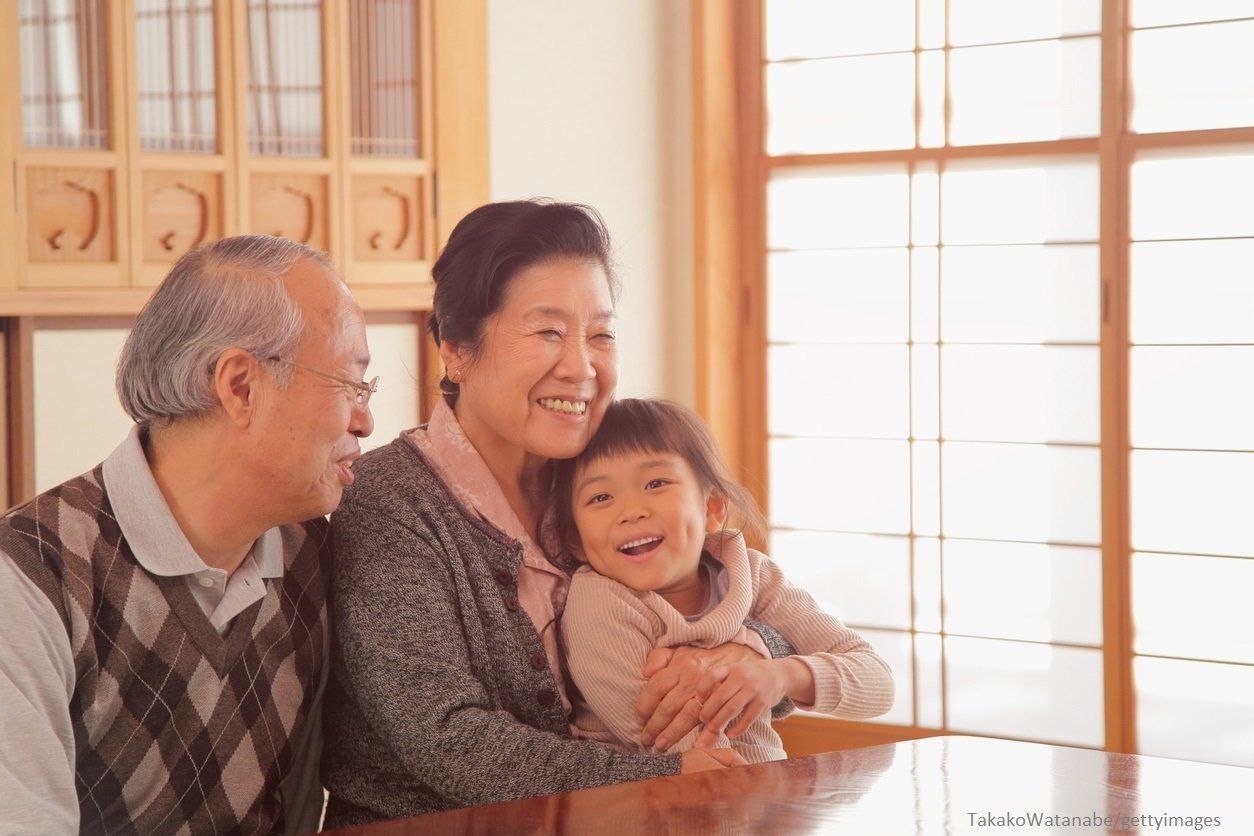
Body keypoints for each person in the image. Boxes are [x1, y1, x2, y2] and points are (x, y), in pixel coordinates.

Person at [323, 200, 797, 826]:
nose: (581, 367)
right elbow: (445, 737)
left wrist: (753, 652)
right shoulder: (387, 501)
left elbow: (742, 596)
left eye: (600, 334)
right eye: (548, 332)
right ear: (457, 349)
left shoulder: (603, 482)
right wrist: (668, 775)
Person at [0, 235, 375, 833]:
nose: (365, 419)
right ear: (241, 386)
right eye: (350, 384)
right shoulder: (28, 578)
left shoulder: (311, 554)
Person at [553, 398, 894, 762]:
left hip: (760, 793)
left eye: (656, 483)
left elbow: (878, 683)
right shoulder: (599, 605)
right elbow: (689, 751)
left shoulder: (750, 573)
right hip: (660, 806)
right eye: (601, 496)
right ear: (576, 540)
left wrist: (782, 675)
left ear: (712, 508)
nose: (632, 511)